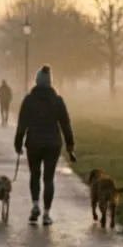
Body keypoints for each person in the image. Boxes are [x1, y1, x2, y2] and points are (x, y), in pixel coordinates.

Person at [14, 65, 76, 226]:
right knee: (49, 178)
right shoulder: (57, 100)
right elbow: (65, 124)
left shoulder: (29, 100)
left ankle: (35, 205)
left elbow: (22, 123)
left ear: (36, 81)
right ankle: (47, 214)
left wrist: (18, 143)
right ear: (50, 82)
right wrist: (70, 145)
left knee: (35, 175)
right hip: (53, 143)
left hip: (33, 142)